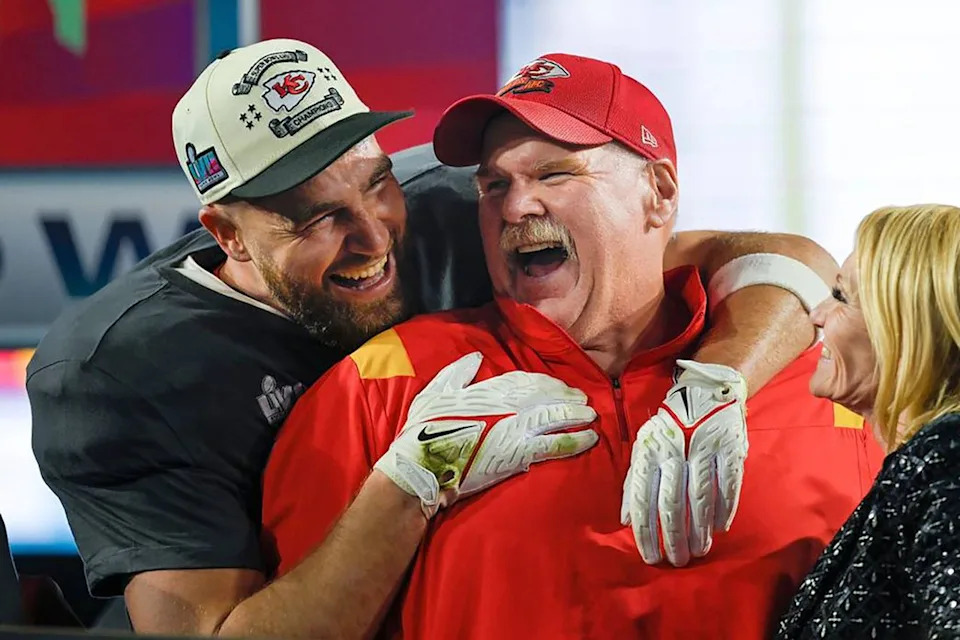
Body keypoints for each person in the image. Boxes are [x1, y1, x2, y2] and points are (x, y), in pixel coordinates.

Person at [28, 38, 839, 637]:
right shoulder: (115, 372)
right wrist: (417, 478)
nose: (376, 236)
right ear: (228, 235)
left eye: (376, 180)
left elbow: (760, 260)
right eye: (317, 216)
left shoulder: (462, 200)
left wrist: (721, 382)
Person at [261, 52, 884, 640]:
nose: (515, 206)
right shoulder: (382, 384)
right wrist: (404, 486)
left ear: (659, 193)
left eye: (554, 173)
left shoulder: (825, 377)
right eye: (493, 186)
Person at [777, 204, 960, 640]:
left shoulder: (945, 461)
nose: (816, 315)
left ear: (903, 328)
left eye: (841, 297)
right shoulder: (924, 465)